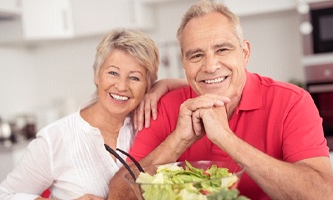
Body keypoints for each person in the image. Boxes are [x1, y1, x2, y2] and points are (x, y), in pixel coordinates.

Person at [108, 1, 333, 199]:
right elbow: (118, 196)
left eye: (222, 49)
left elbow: (323, 195)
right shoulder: (165, 106)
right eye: (196, 55)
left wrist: (226, 139)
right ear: (184, 63)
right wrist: (179, 139)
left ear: (244, 53)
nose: (210, 66)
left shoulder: (292, 102)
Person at [0, 28, 187, 200]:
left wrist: (165, 84)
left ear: (148, 85)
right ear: (96, 74)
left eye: (134, 77)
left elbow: (204, 86)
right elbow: (3, 196)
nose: (121, 86)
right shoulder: (54, 139)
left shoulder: (149, 122)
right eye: (112, 73)